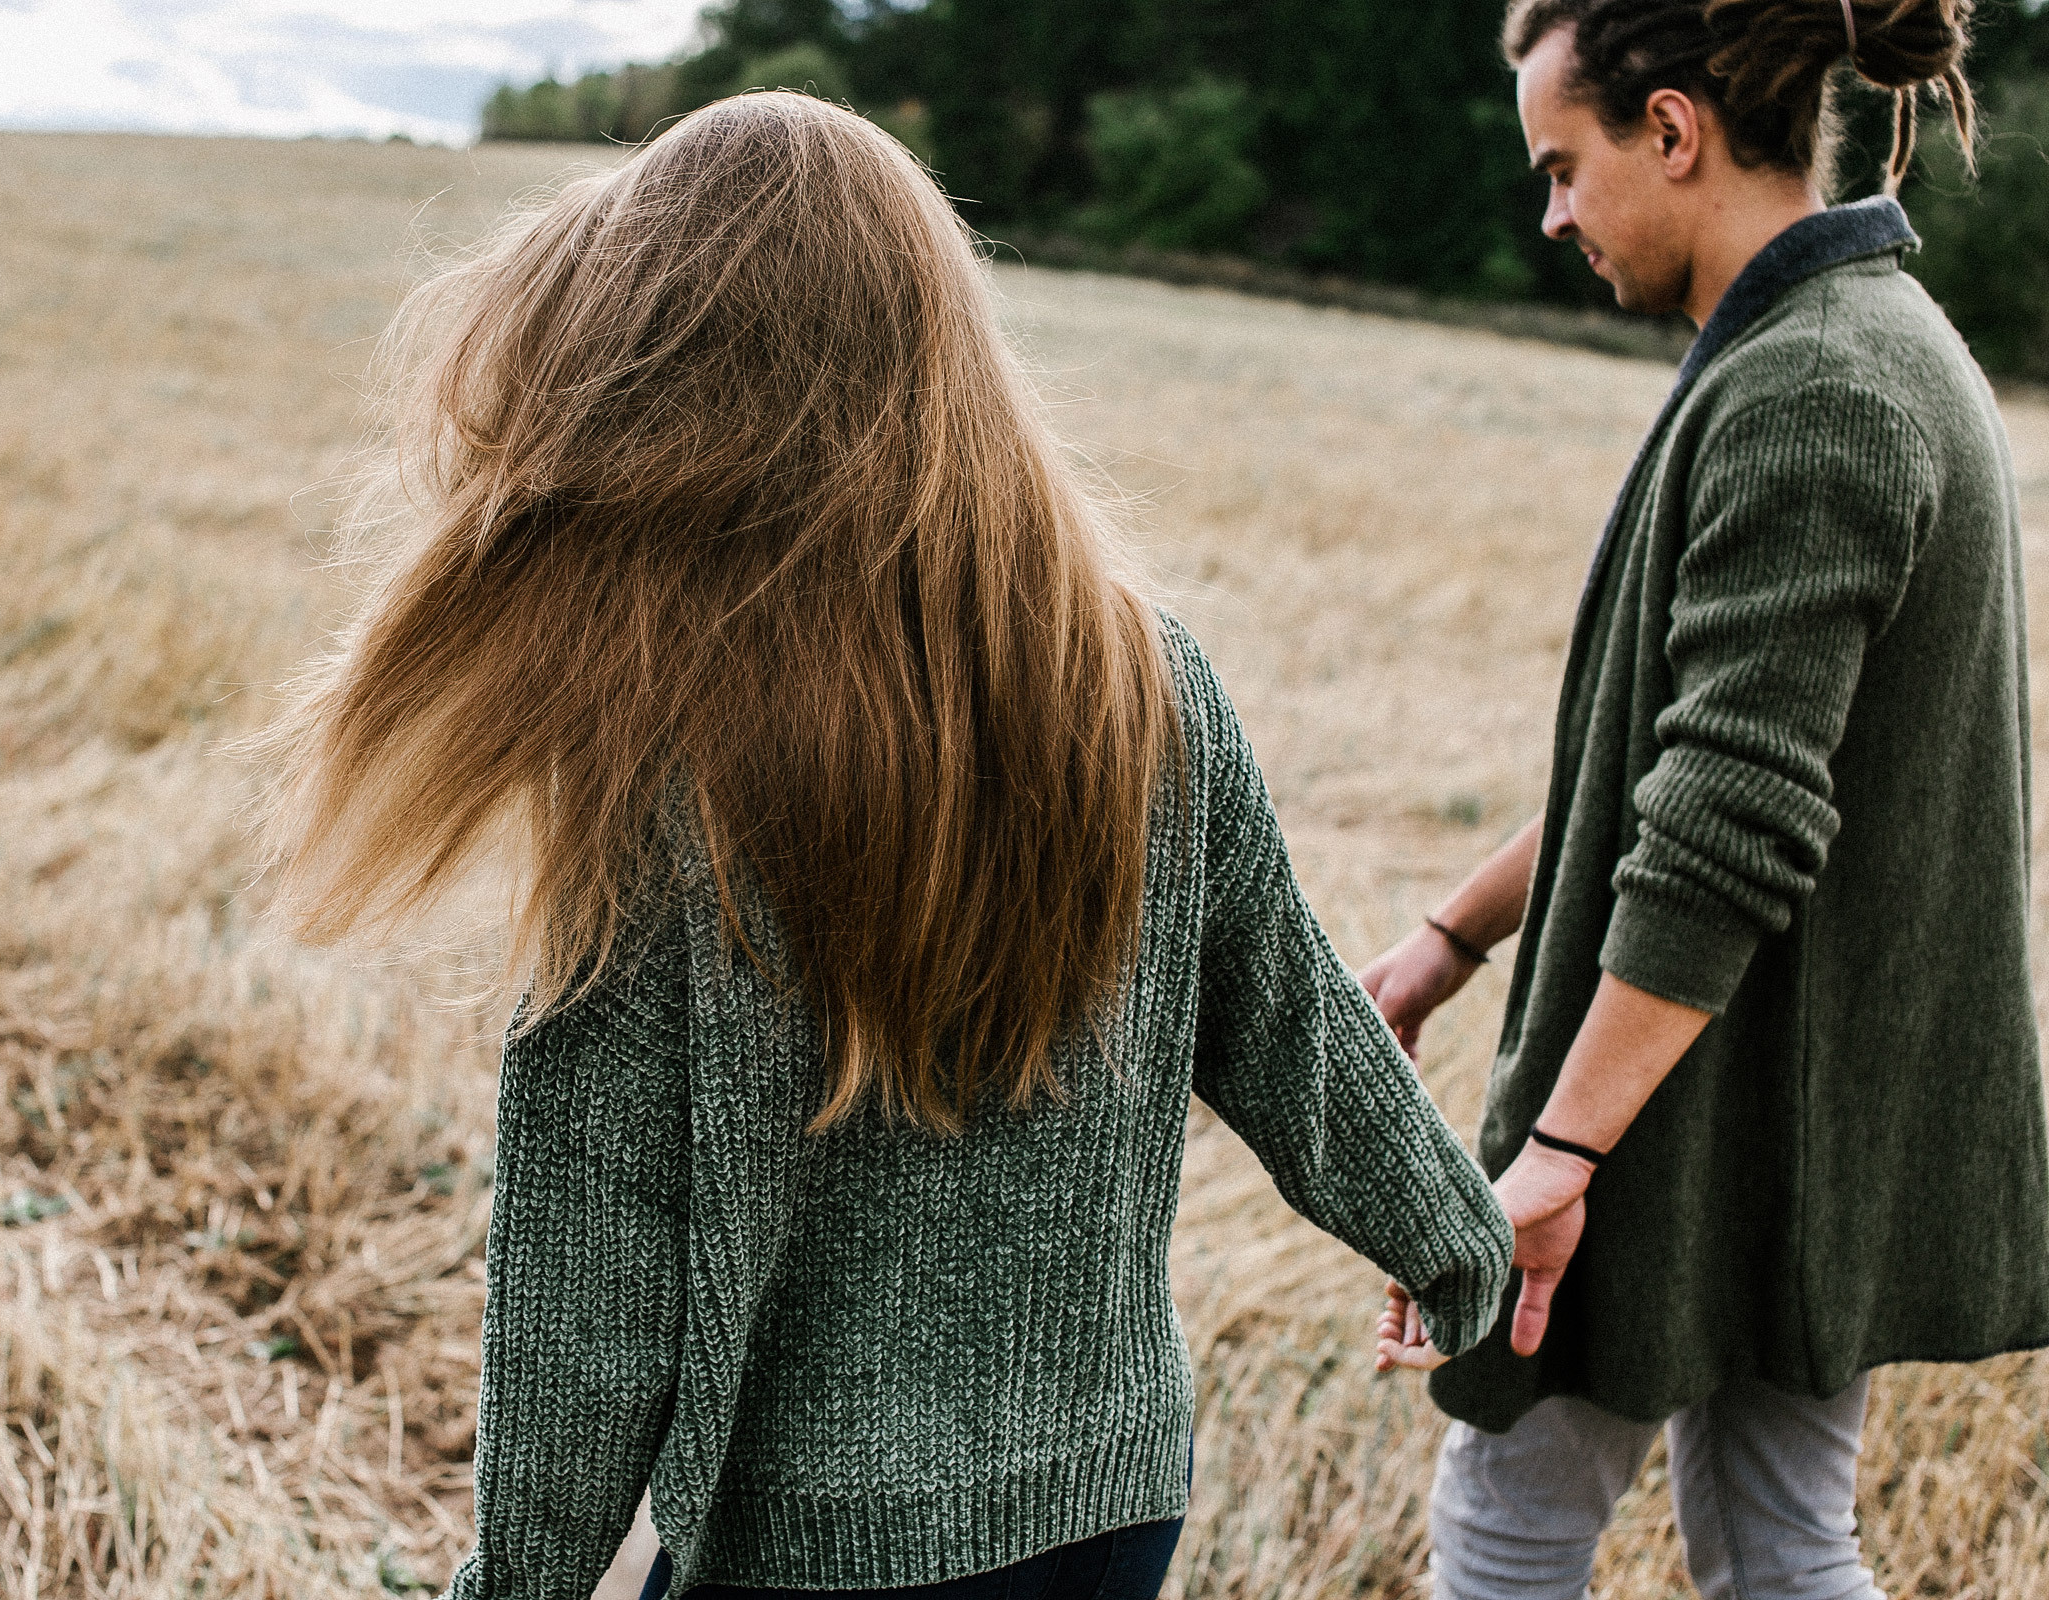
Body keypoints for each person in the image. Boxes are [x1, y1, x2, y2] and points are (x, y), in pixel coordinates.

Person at [255, 91, 1511, 1600]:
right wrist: (1456, 1242)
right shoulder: (1140, 677)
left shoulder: (672, 769)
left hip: (814, 1557)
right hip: (1105, 1511)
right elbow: (1295, 1028)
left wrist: (515, 1586)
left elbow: (591, 1302)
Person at [1362, 2, 2049, 1596]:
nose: (1551, 217)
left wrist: (1558, 1157)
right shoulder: (1864, 345)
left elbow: (1727, 823)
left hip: (1704, 1120)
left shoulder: (1822, 391)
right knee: (1786, 1549)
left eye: (1564, 167)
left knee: (1508, 1533)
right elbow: (1672, 757)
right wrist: (1451, 938)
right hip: (1799, 1116)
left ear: (1671, 130)